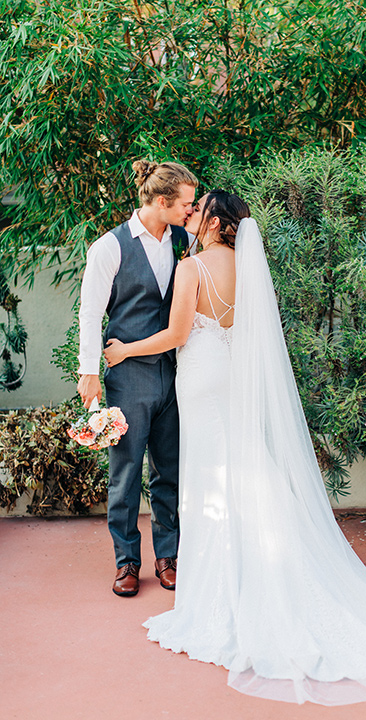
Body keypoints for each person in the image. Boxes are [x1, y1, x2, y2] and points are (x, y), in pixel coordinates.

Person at [103, 190, 366, 705]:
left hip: (201, 382)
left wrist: (124, 348)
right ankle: (265, 568)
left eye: (199, 210)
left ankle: (222, 596)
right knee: (244, 467)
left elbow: (176, 334)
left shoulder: (193, 269)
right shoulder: (246, 268)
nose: (192, 216)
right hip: (232, 380)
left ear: (214, 221)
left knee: (211, 475)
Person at [78, 160, 198, 597]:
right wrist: (88, 371)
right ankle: (127, 563)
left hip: (176, 373)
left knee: (169, 470)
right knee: (126, 474)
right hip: (128, 375)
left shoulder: (184, 239)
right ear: (161, 201)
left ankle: (168, 557)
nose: (191, 209)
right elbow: (90, 313)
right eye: (185, 203)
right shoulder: (109, 247)